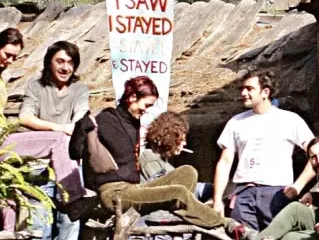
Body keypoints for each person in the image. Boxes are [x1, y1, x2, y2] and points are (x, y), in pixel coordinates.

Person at [68, 76, 227, 230]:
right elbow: (74, 153)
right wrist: (81, 128)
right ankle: (222, 223)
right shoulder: (105, 119)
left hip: (133, 189)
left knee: (187, 172)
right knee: (179, 193)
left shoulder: (133, 122)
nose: (146, 110)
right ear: (132, 98)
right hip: (114, 193)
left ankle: (174, 213)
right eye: (146, 105)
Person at [213, 71, 313, 240]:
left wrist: (298, 186)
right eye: (242, 89)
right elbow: (225, 161)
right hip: (244, 192)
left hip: (276, 194)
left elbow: (316, 153)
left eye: (249, 88)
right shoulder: (236, 122)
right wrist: (218, 199)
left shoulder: (289, 120)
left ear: (265, 92)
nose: (243, 93)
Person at [11, 41, 89, 240]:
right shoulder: (36, 87)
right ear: (49, 63)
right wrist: (59, 130)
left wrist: (67, 130)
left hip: (68, 170)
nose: (65, 67)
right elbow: (25, 117)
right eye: (60, 61)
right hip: (39, 169)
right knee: (39, 230)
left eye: (70, 62)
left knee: (69, 229)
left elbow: (81, 121)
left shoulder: (79, 89)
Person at [129, 110, 207, 240]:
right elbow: (167, 190)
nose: (183, 143)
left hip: (174, 233)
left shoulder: (167, 164)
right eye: (181, 137)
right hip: (158, 230)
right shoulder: (149, 159)